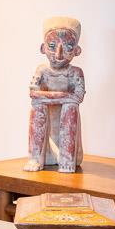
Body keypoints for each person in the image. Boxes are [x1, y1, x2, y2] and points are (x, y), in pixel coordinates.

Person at [25, 17, 85, 173]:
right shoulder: (42, 71)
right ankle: (36, 157)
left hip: (66, 121)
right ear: (43, 48)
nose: (59, 54)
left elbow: (78, 97)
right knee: (37, 107)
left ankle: (67, 159)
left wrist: (50, 97)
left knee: (71, 107)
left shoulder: (75, 72)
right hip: (48, 123)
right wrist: (65, 96)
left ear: (77, 51)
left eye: (68, 47)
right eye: (52, 46)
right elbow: (34, 95)